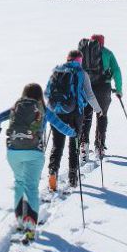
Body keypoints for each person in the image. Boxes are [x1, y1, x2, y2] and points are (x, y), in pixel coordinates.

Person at [0, 83, 77, 242]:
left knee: (19, 183)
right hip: (34, 153)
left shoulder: (16, 109)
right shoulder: (43, 110)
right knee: (31, 187)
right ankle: (30, 226)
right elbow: (60, 126)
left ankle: (21, 220)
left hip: (13, 152)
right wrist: (73, 132)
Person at [44, 50, 102, 191]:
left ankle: (52, 174)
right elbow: (90, 95)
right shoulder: (82, 73)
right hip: (75, 114)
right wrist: (98, 110)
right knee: (73, 145)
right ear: (79, 61)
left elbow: (46, 93)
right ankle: (72, 177)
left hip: (56, 113)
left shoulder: (56, 71)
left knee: (57, 145)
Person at [77, 34, 123, 160]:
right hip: (103, 88)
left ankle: (83, 145)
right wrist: (118, 89)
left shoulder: (83, 53)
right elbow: (117, 72)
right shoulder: (107, 53)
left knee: (86, 116)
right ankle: (100, 146)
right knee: (102, 115)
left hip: (85, 88)